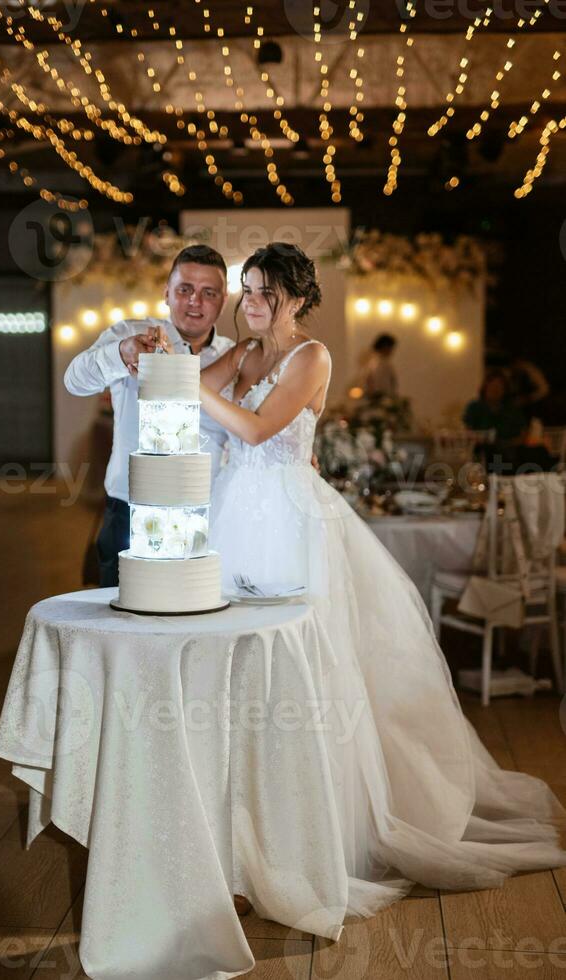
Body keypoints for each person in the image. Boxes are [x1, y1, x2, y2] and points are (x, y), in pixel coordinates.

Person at [174, 242, 566, 928]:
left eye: (265, 293)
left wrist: (198, 395)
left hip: (289, 525)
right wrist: (181, 372)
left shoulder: (310, 357)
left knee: (299, 673)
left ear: (297, 298)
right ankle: (235, 828)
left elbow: (263, 430)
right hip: (233, 515)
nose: (253, 304)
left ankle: (311, 828)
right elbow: (190, 384)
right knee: (236, 672)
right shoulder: (243, 352)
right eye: (249, 291)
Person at [64, 244, 234, 587]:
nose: (194, 301)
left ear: (223, 300)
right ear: (166, 293)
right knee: (124, 616)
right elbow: (73, 381)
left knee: (195, 615)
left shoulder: (234, 355)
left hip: (207, 510)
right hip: (130, 506)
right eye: (184, 289)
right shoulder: (129, 335)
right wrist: (119, 353)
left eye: (208, 292)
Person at [463, 370, 526, 444]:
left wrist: (506, 445)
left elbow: (522, 434)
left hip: (506, 451)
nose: (495, 390)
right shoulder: (474, 407)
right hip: (480, 450)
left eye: (499, 387)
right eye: (492, 386)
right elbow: (467, 431)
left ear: (505, 390)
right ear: (485, 387)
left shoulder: (512, 410)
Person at [360, 332, 398, 398]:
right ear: (384, 347)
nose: (391, 351)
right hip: (379, 398)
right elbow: (375, 383)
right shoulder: (377, 363)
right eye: (390, 348)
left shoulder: (384, 362)